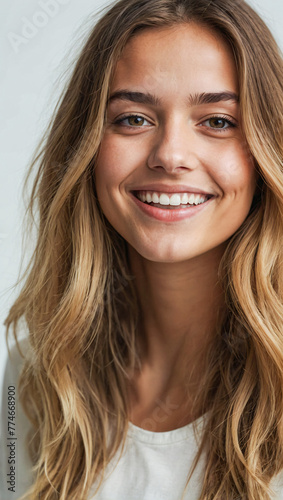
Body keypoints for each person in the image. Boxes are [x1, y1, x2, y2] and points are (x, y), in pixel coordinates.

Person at [1, 0, 283, 498]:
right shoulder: (33, 377)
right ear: (85, 147)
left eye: (218, 121)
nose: (170, 155)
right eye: (133, 119)